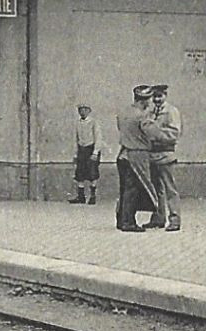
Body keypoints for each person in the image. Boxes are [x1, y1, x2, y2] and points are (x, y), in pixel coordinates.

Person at [141, 84, 184, 231]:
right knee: (155, 188)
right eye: (155, 97)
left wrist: (156, 133)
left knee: (170, 188)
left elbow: (174, 133)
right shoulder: (150, 112)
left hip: (165, 154)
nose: (157, 99)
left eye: (160, 96)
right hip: (152, 155)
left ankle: (175, 219)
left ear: (165, 96)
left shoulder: (171, 112)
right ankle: (158, 217)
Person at [114, 85, 155, 232]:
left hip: (123, 153)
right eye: (149, 100)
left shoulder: (123, 112)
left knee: (124, 189)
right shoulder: (143, 116)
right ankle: (128, 222)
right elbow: (151, 133)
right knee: (133, 190)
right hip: (136, 155)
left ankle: (120, 219)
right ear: (144, 101)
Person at [68, 103, 105, 205]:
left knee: (92, 172)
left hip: (91, 148)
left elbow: (98, 137)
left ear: (89, 110)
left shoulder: (94, 122)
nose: (82, 111)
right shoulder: (77, 123)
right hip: (81, 149)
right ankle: (81, 196)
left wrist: (95, 152)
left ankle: (93, 196)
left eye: (85, 109)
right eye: (80, 109)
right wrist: (75, 154)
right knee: (80, 173)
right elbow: (75, 138)